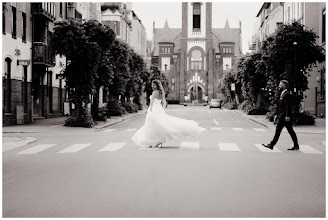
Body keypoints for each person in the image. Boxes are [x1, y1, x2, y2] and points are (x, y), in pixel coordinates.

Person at [132, 79, 205, 148]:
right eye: (152, 85)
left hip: (153, 109)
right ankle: (158, 141)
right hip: (158, 108)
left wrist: (150, 108)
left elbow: (151, 102)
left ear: (157, 86)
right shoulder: (160, 93)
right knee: (159, 125)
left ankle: (152, 141)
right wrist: (162, 108)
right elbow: (164, 102)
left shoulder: (154, 92)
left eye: (153, 85)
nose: (152, 86)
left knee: (152, 125)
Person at [262, 80, 300, 150]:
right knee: (290, 131)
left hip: (284, 117)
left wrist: (287, 116)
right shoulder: (282, 94)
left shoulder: (286, 94)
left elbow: (287, 106)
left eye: (280, 85)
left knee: (279, 131)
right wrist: (277, 115)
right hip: (282, 116)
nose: (279, 86)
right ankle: (296, 145)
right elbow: (279, 106)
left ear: (284, 86)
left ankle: (272, 144)